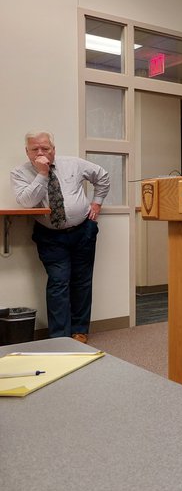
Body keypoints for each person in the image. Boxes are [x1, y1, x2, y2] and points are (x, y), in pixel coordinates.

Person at [10, 131, 110, 343]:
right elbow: (27, 202)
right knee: (58, 282)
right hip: (50, 237)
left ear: (53, 149)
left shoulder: (73, 164)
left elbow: (102, 176)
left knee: (82, 281)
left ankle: (80, 330)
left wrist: (97, 202)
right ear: (26, 152)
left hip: (83, 231)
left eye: (45, 148)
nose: (40, 152)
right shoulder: (19, 173)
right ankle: (59, 337)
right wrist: (42, 174)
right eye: (34, 149)